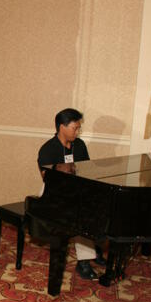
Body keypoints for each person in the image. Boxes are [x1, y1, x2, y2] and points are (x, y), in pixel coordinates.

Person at [38, 108, 106, 280]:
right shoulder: (48, 149)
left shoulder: (80, 145)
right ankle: (84, 262)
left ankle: (95, 249)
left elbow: (87, 170)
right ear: (62, 127)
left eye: (78, 128)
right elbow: (49, 180)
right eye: (75, 128)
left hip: (78, 189)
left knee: (100, 203)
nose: (77, 131)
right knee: (79, 213)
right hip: (53, 193)